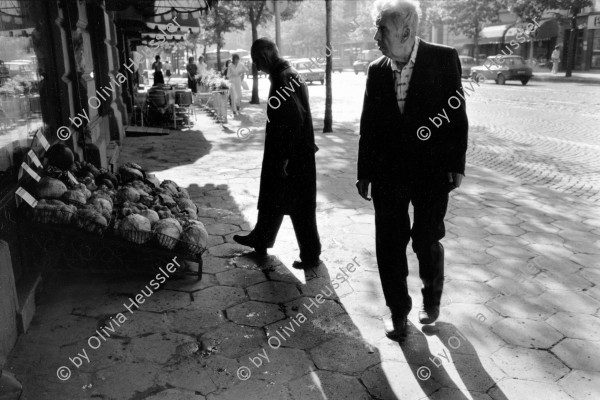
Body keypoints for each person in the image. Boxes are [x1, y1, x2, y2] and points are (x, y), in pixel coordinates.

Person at [356, 0, 468, 341]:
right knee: (389, 243)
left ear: (406, 31)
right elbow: (369, 126)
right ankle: (398, 311)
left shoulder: (443, 58)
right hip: (389, 174)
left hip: (431, 172)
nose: (375, 36)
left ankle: (431, 301)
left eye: (382, 29)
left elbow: (456, 114)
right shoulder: (377, 69)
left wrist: (456, 164)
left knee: (426, 239)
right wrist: (365, 172)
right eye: (376, 28)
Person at [233, 38, 322, 269]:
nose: (255, 66)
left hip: (292, 155)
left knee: (298, 207)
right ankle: (261, 238)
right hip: (294, 153)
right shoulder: (288, 74)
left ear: (264, 57)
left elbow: (294, 120)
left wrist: (284, 157)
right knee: (275, 198)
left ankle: (310, 255)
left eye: (255, 61)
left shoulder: (284, 78)